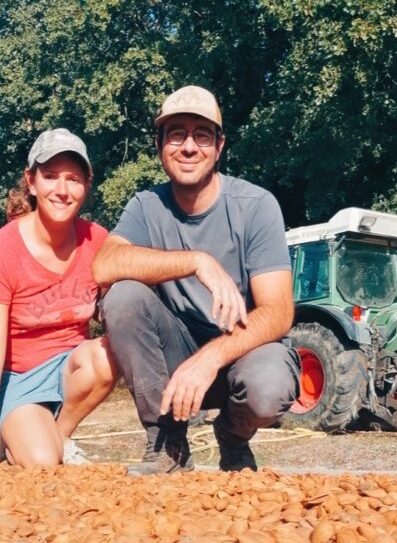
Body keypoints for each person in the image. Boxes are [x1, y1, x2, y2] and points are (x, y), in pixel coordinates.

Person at [93, 86, 301, 475]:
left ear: (218, 146)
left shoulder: (256, 206)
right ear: (160, 145)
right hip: (176, 354)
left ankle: (233, 435)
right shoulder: (145, 206)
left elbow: (278, 311)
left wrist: (209, 358)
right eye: (176, 133)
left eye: (201, 134)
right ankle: (167, 440)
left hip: (243, 350)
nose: (189, 146)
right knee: (121, 297)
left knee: (268, 387)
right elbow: (104, 265)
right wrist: (195, 261)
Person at [0, 128, 118, 469]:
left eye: (73, 179)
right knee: (43, 463)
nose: (62, 190)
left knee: (114, 346)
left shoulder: (99, 241)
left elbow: (122, 312)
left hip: (71, 371)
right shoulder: (2, 250)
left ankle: (60, 434)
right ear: (31, 182)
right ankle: (22, 437)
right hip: (19, 378)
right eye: (50, 177)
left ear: (86, 185)